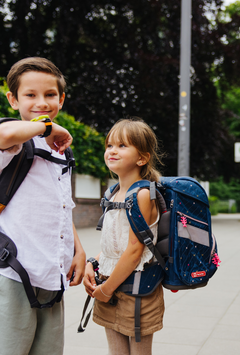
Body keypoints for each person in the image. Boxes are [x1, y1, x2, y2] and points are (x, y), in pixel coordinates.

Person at [0, 57, 86, 355]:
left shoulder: (60, 149)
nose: (41, 102)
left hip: (52, 272)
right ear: (13, 99)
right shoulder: (10, 140)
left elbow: (61, 206)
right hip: (14, 271)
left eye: (49, 95)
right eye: (30, 95)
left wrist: (78, 248)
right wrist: (48, 128)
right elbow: (7, 134)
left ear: (61, 98)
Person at [83, 118, 165, 355]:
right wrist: (94, 262)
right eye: (109, 145)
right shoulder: (113, 192)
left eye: (122, 146)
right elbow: (114, 243)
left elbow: (134, 251)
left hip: (138, 288)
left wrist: (107, 289)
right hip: (109, 282)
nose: (112, 151)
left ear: (142, 158)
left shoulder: (141, 195)